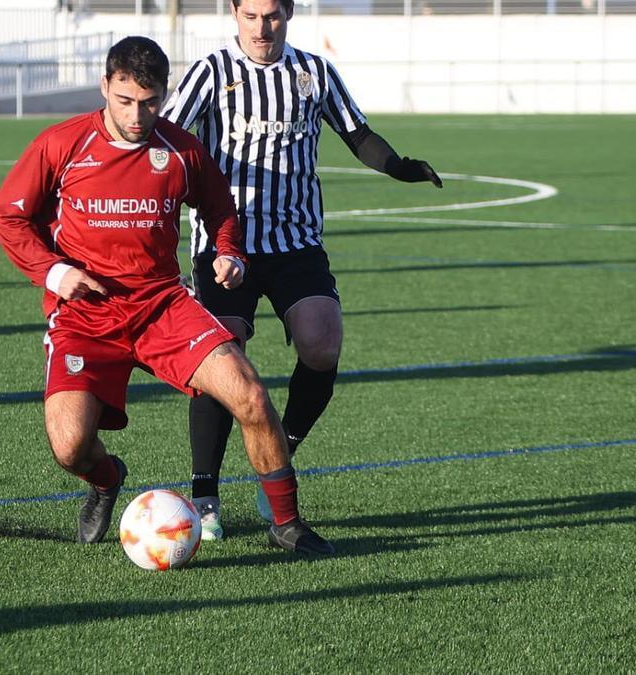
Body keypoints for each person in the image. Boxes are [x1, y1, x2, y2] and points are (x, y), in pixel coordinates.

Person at [0, 36, 333, 555]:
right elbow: (9, 215)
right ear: (105, 85)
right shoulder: (62, 144)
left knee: (251, 396)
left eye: (149, 102)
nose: (136, 114)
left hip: (161, 306)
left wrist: (229, 253)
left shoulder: (181, 150)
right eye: (125, 100)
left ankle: (286, 523)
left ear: (163, 94)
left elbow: (221, 210)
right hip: (86, 314)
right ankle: (106, 479)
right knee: (69, 448)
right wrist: (55, 273)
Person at [162, 0, 443, 540]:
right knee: (222, 356)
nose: (262, 26)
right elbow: (168, 135)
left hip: (296, 242)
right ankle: (204, 497)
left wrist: (398, 165)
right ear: (235, 15)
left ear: (288, 13)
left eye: (272, 15)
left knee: (323, 343)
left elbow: (357, 133)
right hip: (226, 245)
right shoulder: (211, 72)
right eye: (251, 15)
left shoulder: (313, 72)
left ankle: (278, 460)